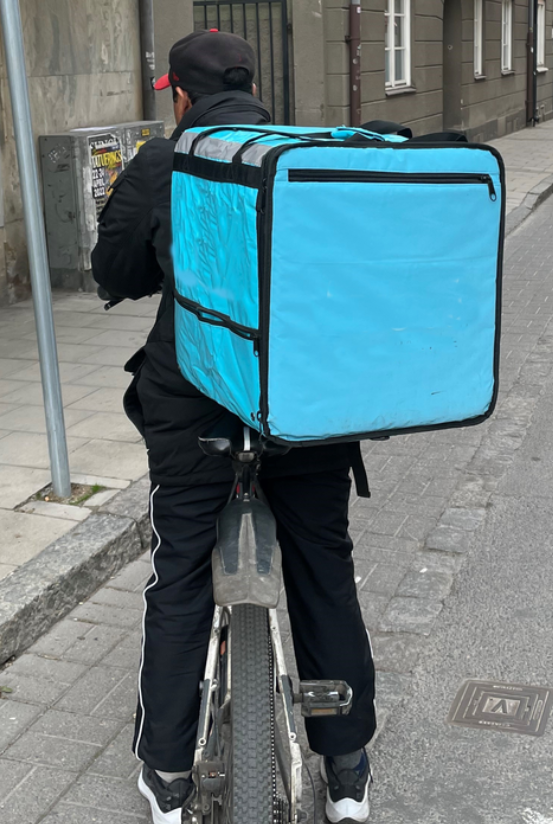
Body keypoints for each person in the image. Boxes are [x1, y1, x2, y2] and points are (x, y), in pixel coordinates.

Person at [91, 30, 376, 824]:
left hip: (192, 405)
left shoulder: (164, 161)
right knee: (321, 563)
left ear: (180, 95)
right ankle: (346, 766)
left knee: (180, 568)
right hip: (300, 403)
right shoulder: (305, 156)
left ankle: (167, 773)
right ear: (254, 89)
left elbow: (114, 270)